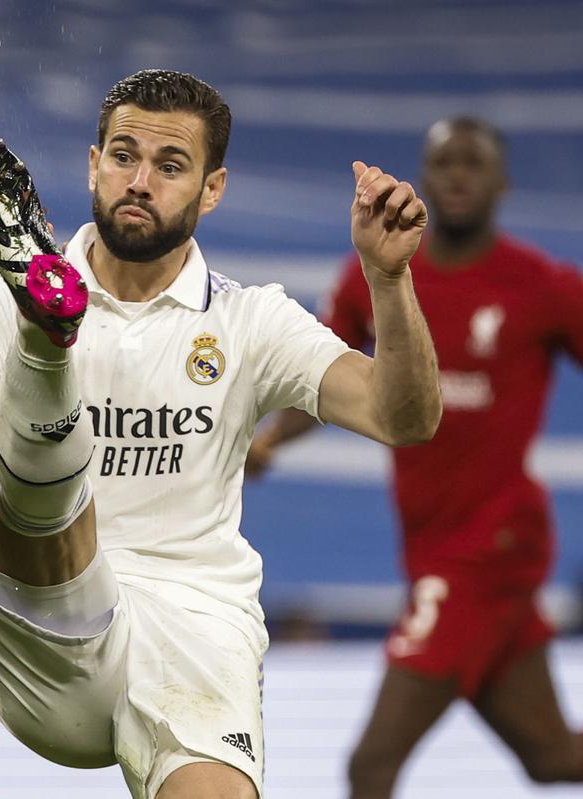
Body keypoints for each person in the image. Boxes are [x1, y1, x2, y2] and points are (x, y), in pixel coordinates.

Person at [0, 69, 441, 799]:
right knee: (53, 503)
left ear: (212, 189)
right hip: (41, 622)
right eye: (123, 156)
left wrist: (389, 279)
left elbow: (402, 416)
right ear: (93, 165)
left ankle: (47, 337)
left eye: (171, 165)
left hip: (197, 633)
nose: (140, 180)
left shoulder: (250, 320)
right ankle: (48, 333)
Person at [247, 116, 583, 796]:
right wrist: (272, 440)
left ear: (502, 181)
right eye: (444, 163)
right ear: (424, 178)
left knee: (371, 766)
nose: (457, 175)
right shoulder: (381, 273)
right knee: (551, 756)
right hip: (434, 547)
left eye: (473, 162)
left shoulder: (541, 286)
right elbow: (325, 371)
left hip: (488, 548)